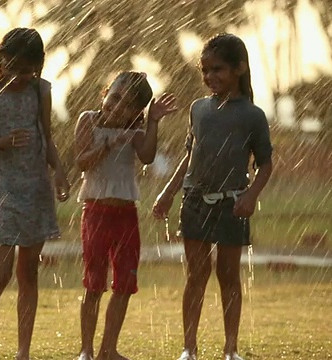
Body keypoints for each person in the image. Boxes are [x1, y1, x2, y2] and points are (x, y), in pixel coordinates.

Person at [151, 33, 274, 360]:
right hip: (194, 200)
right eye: (205, 70)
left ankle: (230, 349)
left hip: (231, 204)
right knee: (196, 275)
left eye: (217, 70)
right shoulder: (198, 109)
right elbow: (190, 155)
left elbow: (265, 166)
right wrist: (168, 191)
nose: (209, 77)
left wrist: (250, 196)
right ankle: (189, 349)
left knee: (229, 276)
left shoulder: (252, 115)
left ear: (239, 69)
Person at [0, 27, 71, 360]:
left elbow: (46, 136)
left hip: (35, 186)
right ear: (1, 60)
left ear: (38, 66)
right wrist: (0, 142)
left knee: (29, 271)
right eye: (12, 69)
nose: (19, 77)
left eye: (27, 71)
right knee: (0, 273)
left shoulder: (40, 91)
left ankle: (23, 352)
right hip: (2, 189)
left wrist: (60, 171)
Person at [75, 71, 178, 360]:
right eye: (115, 96)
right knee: (94, 283)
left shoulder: (135, 131)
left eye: (127, 104)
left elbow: (146, 156)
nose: (117, 106)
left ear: (137, 111)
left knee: (124, 284)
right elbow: (81, 161)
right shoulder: (88, 120)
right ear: (106, 92)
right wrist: (108, 144)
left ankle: (108, 349)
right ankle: (86, 350)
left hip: (125, 215)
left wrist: (154, 122)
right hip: (95, 212)